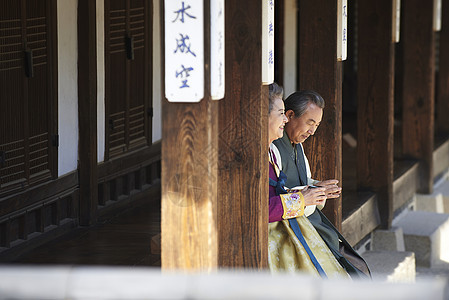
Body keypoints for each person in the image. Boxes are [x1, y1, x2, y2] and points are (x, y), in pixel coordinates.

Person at [272, 90, 371, 278]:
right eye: (310, 123)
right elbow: (276, 195)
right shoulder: (274, 146)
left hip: (311, 221)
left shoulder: (297, 145)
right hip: (291, 228)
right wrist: (311, 193)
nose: (313, 131)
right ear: (290, 115)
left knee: (355, 264)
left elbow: (302, 181)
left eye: (316, 125)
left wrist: (318, 187)